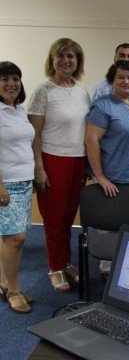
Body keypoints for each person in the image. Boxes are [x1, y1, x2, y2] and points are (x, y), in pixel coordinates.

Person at [28, 38, 91, 293]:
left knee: (68, 217)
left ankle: (65, 262)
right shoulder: (43, 92)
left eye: (71, 56)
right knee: (54, 218)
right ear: (52, 59)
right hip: (53, 160)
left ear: (78, 61)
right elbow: (34, 134)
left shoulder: (82, 90)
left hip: (78, 160)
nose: (66, 60)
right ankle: (55, 267)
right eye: (61, 55)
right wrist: (39, 168)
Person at [85, 61, 129, 279]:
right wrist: (100, 176)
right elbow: (91, 141)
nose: (126, 81)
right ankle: (109, 271)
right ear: (111, 81)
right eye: (121, 77)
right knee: (110, 229)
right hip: (113, 178)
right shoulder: (103, 106)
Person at [0, 61, 34, 313]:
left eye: (15, 78)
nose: (11, 83)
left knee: (11, 237)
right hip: (6, 183)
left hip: (24, 181)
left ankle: (5, 283)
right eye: (4, 79)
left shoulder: (19, 110)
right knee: (16, 238)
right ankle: (13, 290)